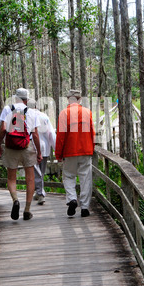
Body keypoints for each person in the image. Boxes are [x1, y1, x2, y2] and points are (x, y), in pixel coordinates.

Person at [0, 88, 42, 221]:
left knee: (11, 178)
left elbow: (3, 129)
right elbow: (35, 134)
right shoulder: (32, 112)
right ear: (27, 100)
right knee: (30, 179)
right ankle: (27, 210)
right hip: (27, 146)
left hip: (11, 147)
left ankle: (15, 200)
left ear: (15, 98)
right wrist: (39, 152)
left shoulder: (7, 109)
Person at [55, 89, 95, 217]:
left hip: (69, 151)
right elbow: (92, 133)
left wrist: (58, 154)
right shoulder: (87, 112)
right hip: (86, 150)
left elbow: (60, 136)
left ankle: (72, 199)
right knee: (85, 178)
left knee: (68, 176)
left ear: (68, 99)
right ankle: (84, 207)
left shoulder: (64, 113)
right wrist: (91, 148)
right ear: (79, 99)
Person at [27, 99, 56, 205]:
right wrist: (56, 148)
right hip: (45, 148)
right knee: (40, 172)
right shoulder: (44, 116)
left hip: (32, 147)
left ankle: (40, 194)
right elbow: (51, 134)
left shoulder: (27, 116)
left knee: (36, 172)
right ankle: (39, 192)